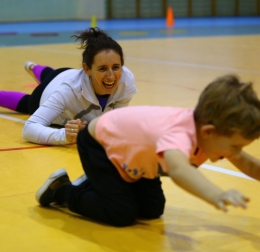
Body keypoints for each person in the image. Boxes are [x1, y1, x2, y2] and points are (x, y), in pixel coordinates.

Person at [35, 74, 260, 227]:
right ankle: (62, 191)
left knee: (152, 210)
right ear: (209, 132)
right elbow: (180, 170)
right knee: (121, 214)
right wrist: (216, 194)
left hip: (133, 157)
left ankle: (98, 183)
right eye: (236, 147)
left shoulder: (213, 133)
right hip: (100, 145)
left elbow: (249, 164)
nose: (237, 153)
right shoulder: (180, 135)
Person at [0, 27, 137, 145]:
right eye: (102, 69)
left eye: (116, 67)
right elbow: (28, 129)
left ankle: (33, 67)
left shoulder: (126, 82)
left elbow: (111, 122)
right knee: (28, 101)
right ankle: (33, 68)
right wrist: (64, 135)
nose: (111, 76)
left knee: (49, 74)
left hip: (65, 73)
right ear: (86, 68)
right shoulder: (69, 90)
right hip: (45, 93)